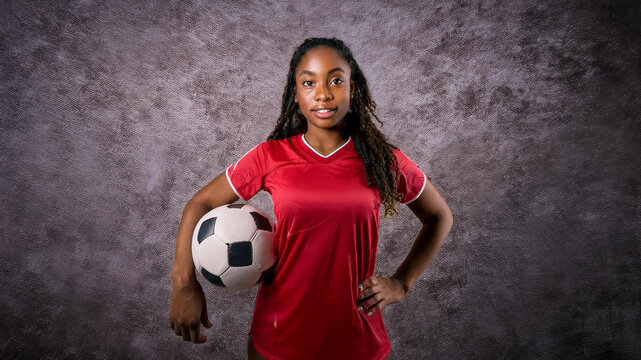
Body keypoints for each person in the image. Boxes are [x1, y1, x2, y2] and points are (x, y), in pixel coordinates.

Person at [169, 37, 453, 360]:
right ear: (296, 93)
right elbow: (200, 203)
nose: (323, 93)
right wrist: (183, 283)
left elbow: (439, 217)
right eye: (309, 82)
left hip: (356, 343)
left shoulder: (382, 160)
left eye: (335, 80)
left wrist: (402, 283)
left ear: (353, 89)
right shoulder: (270, 156)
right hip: (279, 340)